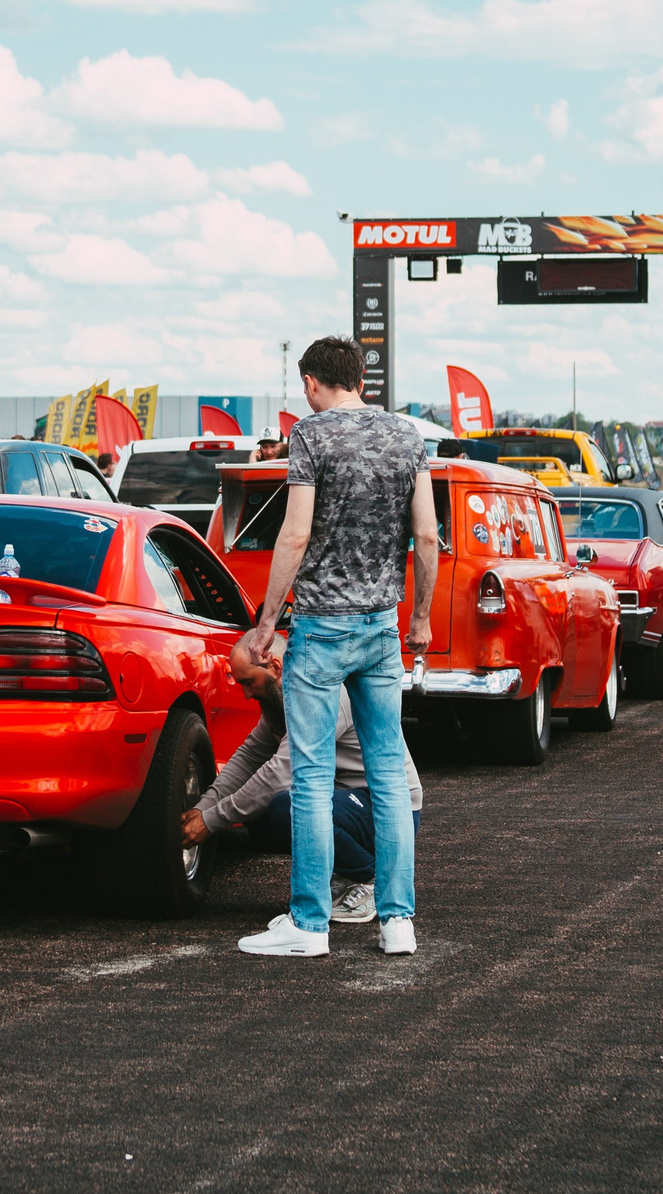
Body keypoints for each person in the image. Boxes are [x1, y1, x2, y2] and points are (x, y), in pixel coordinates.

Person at [234, 335, 436, 959]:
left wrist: (268, 623)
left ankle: (310, 925)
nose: (305, 397)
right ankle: (397, 921)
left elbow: (294, 535)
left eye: (304, 387)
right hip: (381, 626)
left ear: (316, 382)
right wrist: (420, 618)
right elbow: (426, 536)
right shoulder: (408, 438)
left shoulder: (311, 437)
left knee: (314, 778)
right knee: (386, 775)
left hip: (322, 627)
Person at [183, 640, 425, 924]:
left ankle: (373, 880)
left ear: (275, 667)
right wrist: (203, 807)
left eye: (249, 682)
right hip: (347, 802)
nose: (247, 694)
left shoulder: (327, 698)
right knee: (260, 813)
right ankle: (345, 874)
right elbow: (248, 758)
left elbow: (281, 773)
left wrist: (211, 822)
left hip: (388, 810)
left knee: (287, 806)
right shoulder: (281, 703)